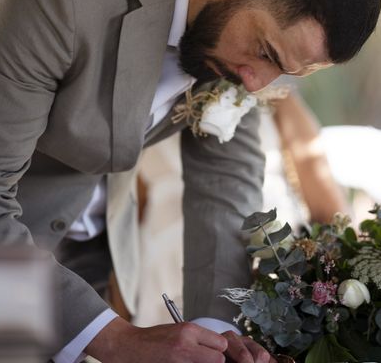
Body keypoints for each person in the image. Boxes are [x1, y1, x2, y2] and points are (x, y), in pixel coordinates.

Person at [0, 0, 381, 362]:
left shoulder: (244, 33)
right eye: (266, 54)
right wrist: (117, 339)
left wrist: (218, 336)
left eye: (284, 71)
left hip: (80, 246)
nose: (256, 84)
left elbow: (223, 185)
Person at [129, 91, 350, 326]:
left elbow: (330, 212)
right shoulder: (151, 102)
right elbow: (132, 211)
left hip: (264, 259)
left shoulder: (275, 95)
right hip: (161, 274)